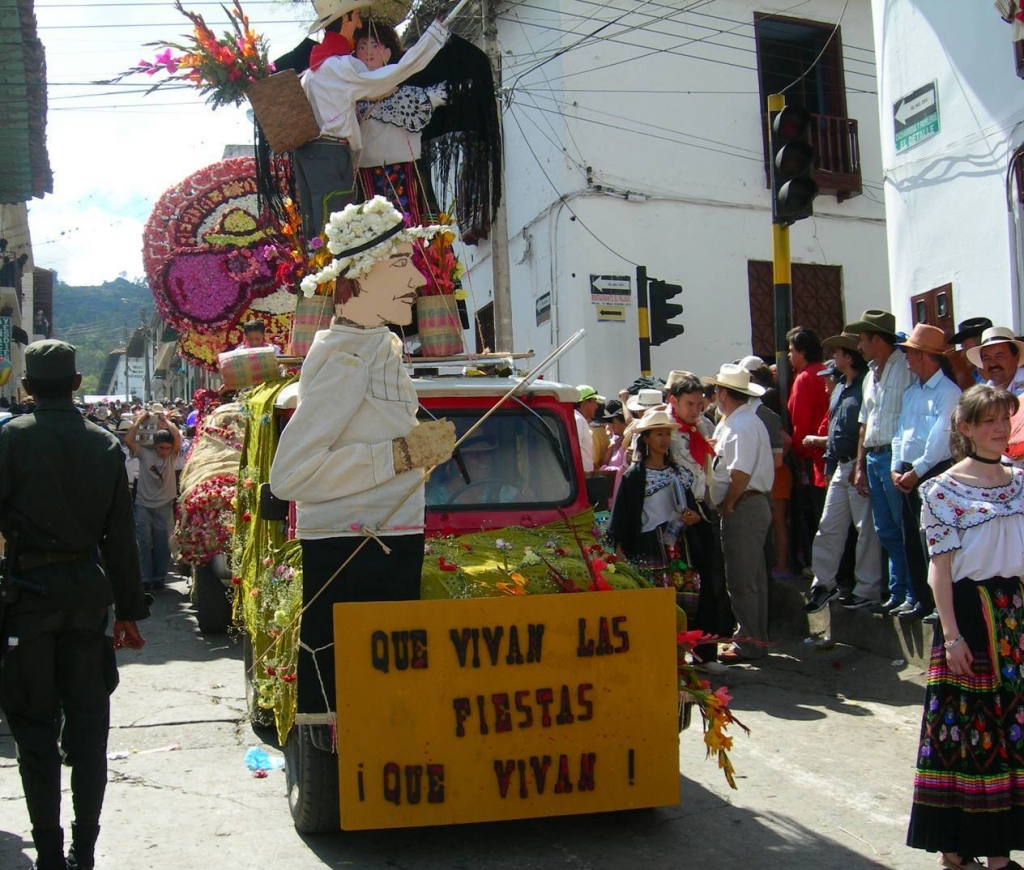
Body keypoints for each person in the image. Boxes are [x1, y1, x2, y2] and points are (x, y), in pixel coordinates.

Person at [273, 196, 455, 718]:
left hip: (387, 537)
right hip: (355, 548)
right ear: (357, 281)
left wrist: (422, 448)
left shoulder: (377, 347)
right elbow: (289, 476)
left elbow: (380, 436)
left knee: (388, 699)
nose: (418, 281)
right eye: (401, 265)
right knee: (362, 703)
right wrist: (400, 454)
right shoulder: (345, 360)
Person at [0, 339, 148, 870]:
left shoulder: (10, 440)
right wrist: (128, 611)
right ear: (78, 383)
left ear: (27, 387)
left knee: (35, 733)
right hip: (88, 599)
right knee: (89, 732)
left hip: (28, 601)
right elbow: (121, 539)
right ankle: (83, 851)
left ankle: (49, 855)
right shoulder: (104, 444)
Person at [906, 384, 1024, 869]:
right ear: (966, 428)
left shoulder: (1020, 481)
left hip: (1013, 616)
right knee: (966, 735)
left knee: (1008, 732)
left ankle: (997, 852)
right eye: (989, 420)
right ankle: (955, 848)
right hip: (970, 616)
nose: (1000, 428)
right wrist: (951, 634)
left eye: (1005, 418)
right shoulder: (941, 490)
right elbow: (940, 568)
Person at [295, 0, 449, 241]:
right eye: (355, 17)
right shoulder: (341, 66)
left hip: (311, 153)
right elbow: (385, 81)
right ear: (345, 20)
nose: (358, 23)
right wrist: (432, 39)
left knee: (319, 223)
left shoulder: (315, 69)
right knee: (337, 226)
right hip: (334, 153)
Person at [803, 332, 883, 612]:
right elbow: (836, 429)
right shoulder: (839, 388)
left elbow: (865, 428)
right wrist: (829, 465)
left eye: (837, 353)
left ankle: (867, 588)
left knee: (865, 529)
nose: (833, 358)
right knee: (829, 526)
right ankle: (823, 584)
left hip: (857, 464)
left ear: (848, 357)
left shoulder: (864, 386)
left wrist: (859, 465)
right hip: (841, 464)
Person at [704, 363, 774, 664]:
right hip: (750, 503)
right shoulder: (740, 421)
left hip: (745, 503)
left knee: (742, 579)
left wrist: (729, 502)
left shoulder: (741, 425)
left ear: (722, 393)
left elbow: (740, 473)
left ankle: (750, 642)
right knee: (752, 578)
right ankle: (753, 637)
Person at [891, 324, 962, 622]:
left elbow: (940, 440)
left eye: (910, 352)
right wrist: (897, 466)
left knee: (933, 540)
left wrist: (915, 471)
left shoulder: (948, 392)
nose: (906, 358)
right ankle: (921, 598)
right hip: (910, 470)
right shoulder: (912, 392)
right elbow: (901, 431)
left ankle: (938, 604)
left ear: (925, 356)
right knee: (910, 537)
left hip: (932, 471)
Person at [847, 309, 916, 615]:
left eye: (862, 340)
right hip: (875, 456)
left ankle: (913, 592)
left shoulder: (906, 367)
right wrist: (860, 465)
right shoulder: (869, 376)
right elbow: (864, 423)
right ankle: (898, 590)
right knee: (885, 528)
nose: (859, 347)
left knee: (903, 527)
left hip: (894, 455)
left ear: (876, 339)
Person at [663, 370, 731, 671]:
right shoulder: (660, 429)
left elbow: (711, 469)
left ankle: (706, 653)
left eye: (699, 404)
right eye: (689, 404)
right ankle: (671, 653)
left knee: (710, 581)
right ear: (673, 401)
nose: (695, 410)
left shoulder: (703, 425)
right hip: (670, 515)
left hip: (702, 510)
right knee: (673, 584)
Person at [352, 20, 447, 222]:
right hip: (367, 180)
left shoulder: (410, 97)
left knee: (416, 236)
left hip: (406, 176)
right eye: (361, 47)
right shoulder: (350, 99)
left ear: (387, 53)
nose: (368, 51)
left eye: (374, 45)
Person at [609, 409, 699, 566]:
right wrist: (618, 549)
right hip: (647, 544)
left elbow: (693, 509)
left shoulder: (677, 473)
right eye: (659, 434)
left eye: (667, 434)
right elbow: (620, 515)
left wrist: (694, 517)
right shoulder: (635, 476)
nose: (664, 440)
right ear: (646, 439)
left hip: (678, 545)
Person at [786, 326, 830, 569]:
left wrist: (800, 454)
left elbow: (799, 423)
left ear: (802, 352)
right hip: (828, 453)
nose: (790, 356)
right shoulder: (826, 372)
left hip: (814, 457)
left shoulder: (805, 378)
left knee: (816, 516)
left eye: (792, 351)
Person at [125, 409, 181, 591]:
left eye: (167, 448)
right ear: (154, 446)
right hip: (143, 505)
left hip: (164, 505)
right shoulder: (144, 454)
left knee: (163, 544)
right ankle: (145, 578)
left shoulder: (173, 456)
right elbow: (128, 440)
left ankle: (159, 577)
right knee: (144, 542)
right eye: (160, 448)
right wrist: (141, 419)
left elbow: (177, 437)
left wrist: (165, 419)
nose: (164, 451)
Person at [946, 316, 992, 390]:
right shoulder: (978, 375)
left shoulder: (995, 378)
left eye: (965, 346)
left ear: (981, 345)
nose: (962, 354)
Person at [574, 385, 599, 473]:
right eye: (594, 402)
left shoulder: (578, 418)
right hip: (581, 476)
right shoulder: (579, 420)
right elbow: (574, 451)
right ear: (584, 403)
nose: (596, 406)